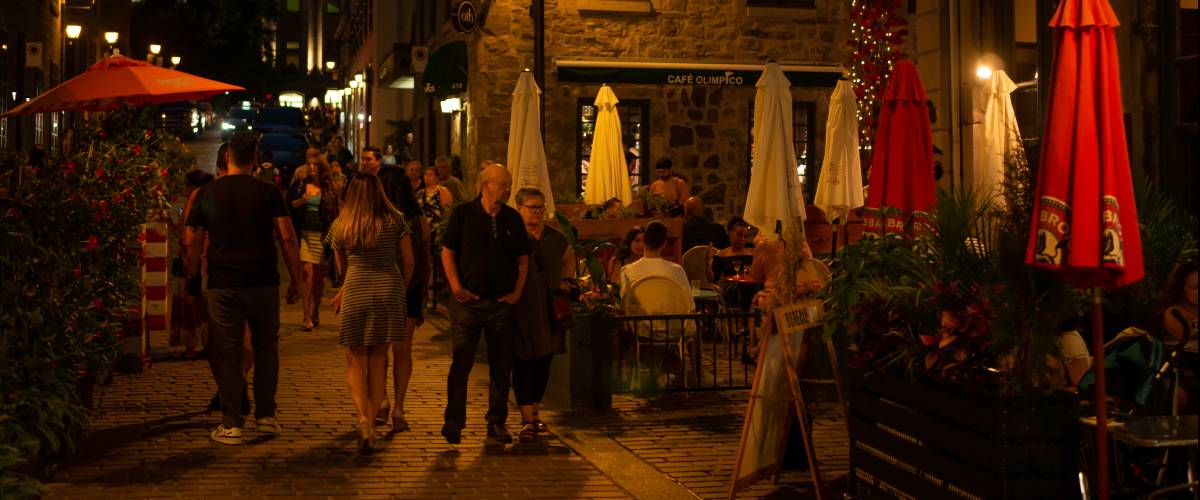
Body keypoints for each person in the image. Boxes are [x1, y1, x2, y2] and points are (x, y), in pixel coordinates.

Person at [184, 131, 303, 445]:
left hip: (223, 282)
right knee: (266, 349)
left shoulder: (207, 193)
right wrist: (296, 279)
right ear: (255, 158)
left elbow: (193, 240)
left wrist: (192, 276)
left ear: (226, 158)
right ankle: (266, 417)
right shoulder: (269, 191)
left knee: (228, 351)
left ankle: (232, 422)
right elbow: (287, 237)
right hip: (263, 280)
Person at [440, 163, 530, 444]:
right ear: (486, 185)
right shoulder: (464, 214)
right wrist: (456, 286)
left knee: (501, 365)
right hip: (468, 302)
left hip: (501, 303)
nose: (507, 189)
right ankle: (454, 420)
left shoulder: (512, 219)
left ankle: (496, 422)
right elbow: (448, 251)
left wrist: (516, 293)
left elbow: (523, 259)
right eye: (503, 184)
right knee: (462, 360)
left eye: (509, 184)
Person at [326, 173, 415, 454]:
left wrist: (345, 286)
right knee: (379, 362)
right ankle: (374, 424)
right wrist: (401, 284)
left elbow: (341, 269)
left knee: (355, 363)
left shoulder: (342, 223)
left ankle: (363, 418)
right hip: (388, 289)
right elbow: (409, 261)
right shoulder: (395, 220)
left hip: (356, 290)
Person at [361, 146, 430, 432]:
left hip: (383, 286)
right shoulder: (418, 218)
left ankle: (383, 400)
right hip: (410, 289)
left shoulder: (380, 217)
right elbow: (425, 256)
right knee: (404, 350)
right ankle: (399, 407)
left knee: (379, 350)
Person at [511, 187, 574, 442]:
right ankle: (527, 418)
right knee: (524, 360)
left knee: (543, 360)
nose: (536, 212)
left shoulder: (555, 238)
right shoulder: (513, 237)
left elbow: (568, 257)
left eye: (539, 207)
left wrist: (566, 281)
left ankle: (535, 412)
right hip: (522, 307)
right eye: (531, 207)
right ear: (519, 209)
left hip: (550, 309)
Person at [287, 156, 339, 331]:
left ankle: (316, 309)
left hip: (322, 235)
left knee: (318, 278)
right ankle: (306, 314)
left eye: (314, 164)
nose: (311, 167)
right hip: (304, 233)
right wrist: (303, 199)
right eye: (308, 164)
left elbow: (334, 210)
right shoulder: (300, 184)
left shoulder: (327, 187)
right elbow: (289, 204)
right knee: (307, 273)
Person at [169, 169, 214, 358]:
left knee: (191, 302)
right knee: (199, 303)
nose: (183, 190)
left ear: (193, 187)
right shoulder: (205, 202)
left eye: (186, 186)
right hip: (200, 258)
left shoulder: (193, 203)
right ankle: (205, 343)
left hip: (191, 258)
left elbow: (186, 233)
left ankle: (192, 345)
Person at [618, 220, 690, 295]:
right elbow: (689, 304)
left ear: (643, 240)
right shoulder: (677, 270)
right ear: (665, 244)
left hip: (638, 307)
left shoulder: (627, 271)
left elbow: (622, 302)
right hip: (668, 307)